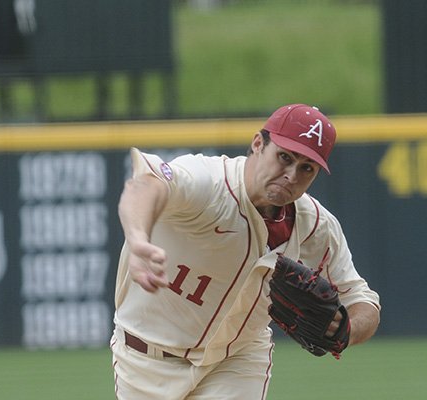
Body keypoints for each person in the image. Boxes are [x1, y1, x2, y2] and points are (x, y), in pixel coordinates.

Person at [110, 104, 381, 399]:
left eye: (306, 168)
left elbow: (363, 301)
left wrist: (348, 330)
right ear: (257, 144)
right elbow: (146, 186)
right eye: (285, 157)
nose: (292, 175)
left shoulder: (315, 225)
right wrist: (137, 239)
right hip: (144, 360)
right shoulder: (211, 183)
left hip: (237, 361)